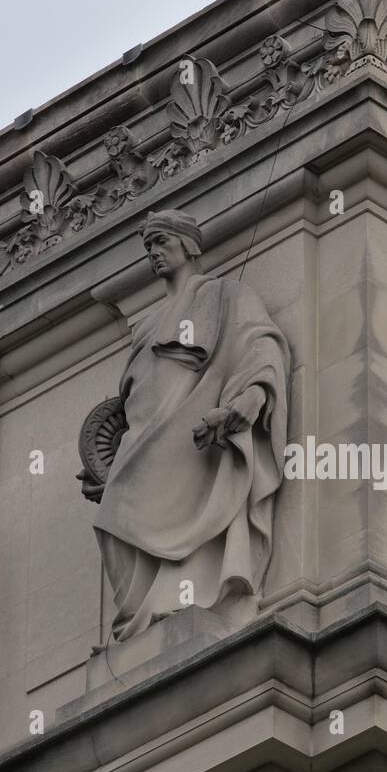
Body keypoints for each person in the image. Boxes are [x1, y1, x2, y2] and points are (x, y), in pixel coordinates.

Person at [89, 209, 289, 642]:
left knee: (185, 517)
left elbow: (261, 344)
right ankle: (138, 620)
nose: (154, 254)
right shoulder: (145, 326)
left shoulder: (224, 296)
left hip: (190, 431)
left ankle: (178, 602)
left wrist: (249, 399)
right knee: (113, 516)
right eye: (148, 247)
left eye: (162, 242)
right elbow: (132, 394)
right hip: (142, 436)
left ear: (189, 245)